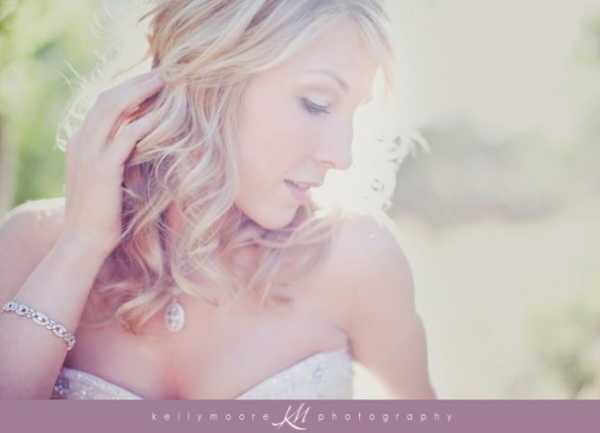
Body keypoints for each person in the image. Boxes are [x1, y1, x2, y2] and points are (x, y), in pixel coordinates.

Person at [0, 0, 437, 400]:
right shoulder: (32, 247)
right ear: (206, 76)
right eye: (317, 103)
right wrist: (81, 244)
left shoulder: (356, 260)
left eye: (354, 112)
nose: (342, 156)